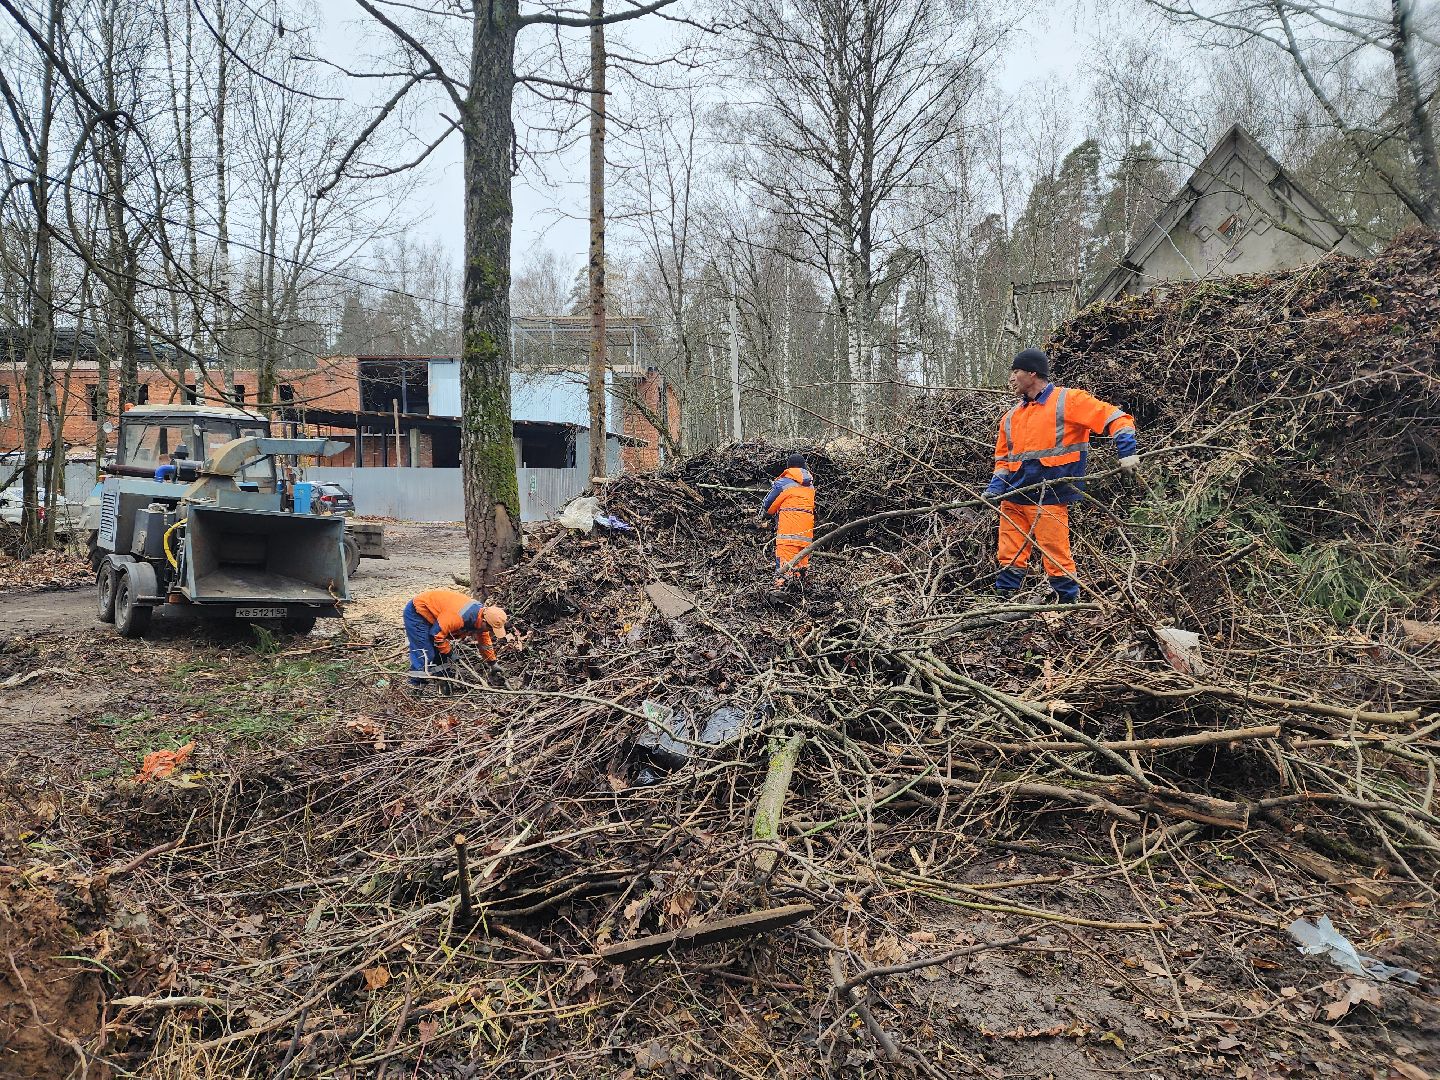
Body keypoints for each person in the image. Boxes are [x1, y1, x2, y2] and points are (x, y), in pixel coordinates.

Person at [984, 348, 1139, 603]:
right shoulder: (1010, 418)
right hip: (1013, 496)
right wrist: (995, 488)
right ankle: (1002, 600)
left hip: (1050, 495)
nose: (1011, 378)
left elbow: (1116, 418)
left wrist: (1127, 452)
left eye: (1016, 371)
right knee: (1009, 551)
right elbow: (1003, 459)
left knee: (1055, 552)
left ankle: (1068, 604)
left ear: (1032, 373)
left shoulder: (1069, 401)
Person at [403, 589, 507, 690]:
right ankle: (414, 687)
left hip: (438, 619)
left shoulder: (481, 620)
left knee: (440, 654)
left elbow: (485, 644)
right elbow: (436, 635)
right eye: (490, 628)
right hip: (418, 612)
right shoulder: (458, 617)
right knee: (425, 652)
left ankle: (442, 686)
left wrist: (493, 663)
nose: (490, 631)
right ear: (484, 621)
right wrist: (449, 652)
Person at [758, 453, 816, 590]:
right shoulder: (810, 486)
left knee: (784, 573)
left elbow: (768, 506)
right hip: (806, 538)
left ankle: (780, 602)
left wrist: (762, 516)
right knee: (801, 574)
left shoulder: (784, 483)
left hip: (787, 537)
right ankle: (801, 604)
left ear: (789, 467)